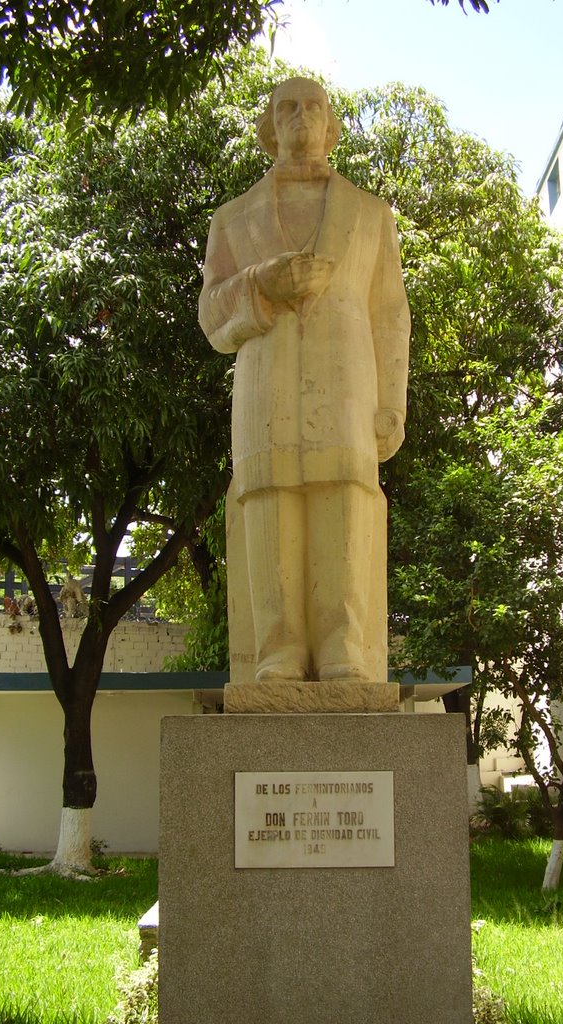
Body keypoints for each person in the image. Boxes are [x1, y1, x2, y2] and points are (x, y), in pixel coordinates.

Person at [199, 77, 410, 686]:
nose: (300, 117)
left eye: (312, 107)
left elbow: (391, 315)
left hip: (349, 387)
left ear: (331, 125)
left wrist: (391, 404)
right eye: (286, 108)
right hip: (265, 387)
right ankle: (278, 649)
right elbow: (212, 316)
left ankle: (344, 644)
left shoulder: (370, 215)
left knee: (342, 495)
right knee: (272, 502)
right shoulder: (233, 219)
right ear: (268, 127)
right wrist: (261, 284)